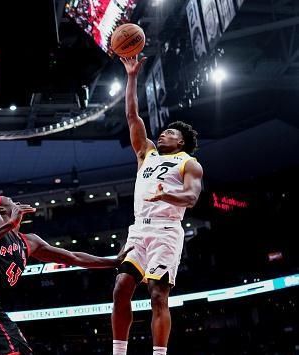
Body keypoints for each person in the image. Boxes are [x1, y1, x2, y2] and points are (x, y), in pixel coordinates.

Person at [0, 195, 132, 355]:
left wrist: (114, 262)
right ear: (2, 208)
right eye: (11, 200)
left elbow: (73, 257)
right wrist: (9, 224)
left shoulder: (29, 241)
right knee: (18, 350)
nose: (16, 202)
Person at [112, 56, 204, 355]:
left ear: (181, 143)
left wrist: (166, 196)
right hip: (139, 230)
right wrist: (131, 76)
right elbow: (132, 116)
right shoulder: (147, 154)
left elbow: (191, 199)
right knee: (121, 287)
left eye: (171, 133)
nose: (163, 133)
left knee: (157, 296)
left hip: (166, 231)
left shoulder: (189, 164)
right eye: (163, 131)